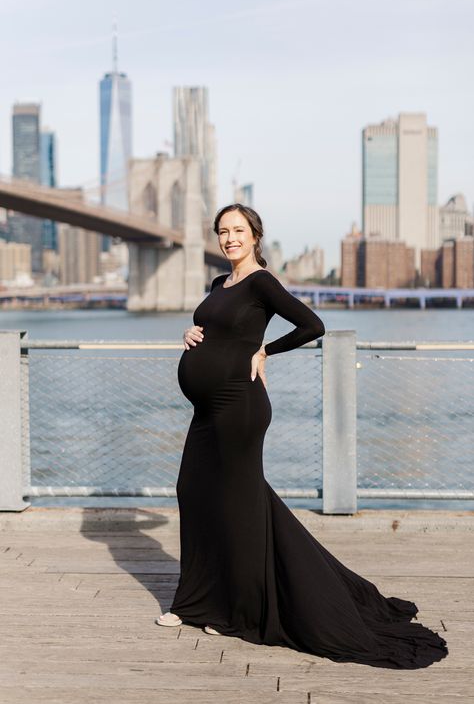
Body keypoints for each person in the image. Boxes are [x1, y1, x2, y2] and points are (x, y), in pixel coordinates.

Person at [156, 203, 448, 669]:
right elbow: (219, 329)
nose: (229, 238)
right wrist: (193, 332)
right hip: (206, 411)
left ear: (255, 236)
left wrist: (265, 351)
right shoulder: (219, 285)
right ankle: (196, 601)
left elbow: (313, 324)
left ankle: (236, 612)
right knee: (194, 492)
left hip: (240, 409)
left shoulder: (262, 283)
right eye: (222, 231)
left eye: (238, 231)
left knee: (237, 506)